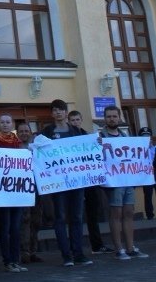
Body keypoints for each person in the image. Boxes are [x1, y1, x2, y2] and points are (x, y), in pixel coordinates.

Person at [40, 100, 92, 266]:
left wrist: (96, 144)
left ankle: (78, 253)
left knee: (77, 217)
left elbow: (88, 149)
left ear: (66, 112)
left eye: (61, 110)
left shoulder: (77, 131)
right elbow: (39, 152)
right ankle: (66, 255)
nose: (58, 113)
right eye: (55, 110)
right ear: (52, 113)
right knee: (60, 218)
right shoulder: (46, 132)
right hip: (58, 183)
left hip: (76, 182)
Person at [100, 105, 149, 259]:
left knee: (128, 212)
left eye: (114, 116)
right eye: (109, 116)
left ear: (119, 118)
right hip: (113, 181)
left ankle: (130, 247)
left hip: (128, 179)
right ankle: (119, 249)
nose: (112, 119)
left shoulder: (125, 137)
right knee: (116, 213)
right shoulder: (100, 137)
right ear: (104, 118)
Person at [0, 114, 27, 272]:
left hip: (17, 191)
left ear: (12, 124)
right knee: (5, 227)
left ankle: (16, 260)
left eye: (8, 122)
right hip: (1, 193)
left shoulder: (19, 143)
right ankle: (7, 261)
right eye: (2, 122)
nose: (5, 124)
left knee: (15, 227)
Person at [69, 110, 109, 255]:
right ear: (69, 122)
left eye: (77, 119)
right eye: (72, 120)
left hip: (90, 181)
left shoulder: (88, 137)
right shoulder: (66, 138)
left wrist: (99, 144)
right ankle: (75, 248)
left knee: (93, 214)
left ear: (81, 120)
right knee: (75, 216)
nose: (75, 122)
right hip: (73, 182)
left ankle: (97, 245)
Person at [15, 121, 43, 265]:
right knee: (24, 220)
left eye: (26, 131)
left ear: (30, 133)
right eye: (21, 131)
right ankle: (24, 252)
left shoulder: (37, 148)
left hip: (38, 187)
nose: (24, 133)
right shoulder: (13, 148)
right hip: (21, 189)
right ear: (17, 133)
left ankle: (33, 251)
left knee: (36, 220)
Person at [138, 126, 156, 220]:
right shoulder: (139, 150)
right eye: (144, 136)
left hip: (155, 172)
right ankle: (149, 214)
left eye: (148, 135)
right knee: (148, 194)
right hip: (146, 173)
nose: (147, 138)